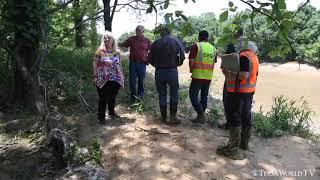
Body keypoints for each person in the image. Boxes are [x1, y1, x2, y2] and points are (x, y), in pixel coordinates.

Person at [216, 31, 259, 160]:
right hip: (248, 93)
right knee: (246, 118)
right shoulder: (254, 57)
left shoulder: (244, 56)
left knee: (235, 119)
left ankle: (232, 150)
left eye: (237, 45)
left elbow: (243, 75)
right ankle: (244, 144)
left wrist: (228, 71)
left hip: (238, 93)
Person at [148, 26, 185, 125]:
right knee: (174, 93)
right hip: (172, 71)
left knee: (162, 94)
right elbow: (182, 55)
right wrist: (177, 64)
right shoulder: (176, 42)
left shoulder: (155, 43)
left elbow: (149, 58)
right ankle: (173, 117)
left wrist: (156, 65)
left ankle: (163, 117)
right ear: (169, 33)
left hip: (159, 71)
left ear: (161, 34)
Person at [93, 31, 124, 124]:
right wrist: (94, 76)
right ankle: (101, 118)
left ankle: (111, 113)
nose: (106, 39)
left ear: (113, 40)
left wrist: (121, 75)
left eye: (108, 38)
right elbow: (95, 63)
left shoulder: (117, 52)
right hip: (103, 78)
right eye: (105, 38)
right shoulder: (100, 51)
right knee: (103, 98)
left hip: (116, 78)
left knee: (112, 97)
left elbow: (120, 64)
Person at [188, 30, 217, 123]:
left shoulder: (196, 46)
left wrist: (191, 70)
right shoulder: (213, 48)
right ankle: (201, 117)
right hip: (208, 76)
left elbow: (191, 61)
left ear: (199, 37)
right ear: (207, 37)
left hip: (198, 75)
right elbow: (214, 61)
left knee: (193, 95)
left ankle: (201, 114)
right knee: (204, 97)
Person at [118, 25, 151, 103]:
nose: (138, 32)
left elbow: (152, 50)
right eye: (137, 30)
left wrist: (148, 59)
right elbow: (123, 44)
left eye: (140, 31)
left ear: (143, 32)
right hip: (133, 64)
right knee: (132, 81)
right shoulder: (131, 39)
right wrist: (114, 43)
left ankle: (140, 98)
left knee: (141, 81)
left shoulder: (147, 41)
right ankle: (133, 98)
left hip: (142, 64)